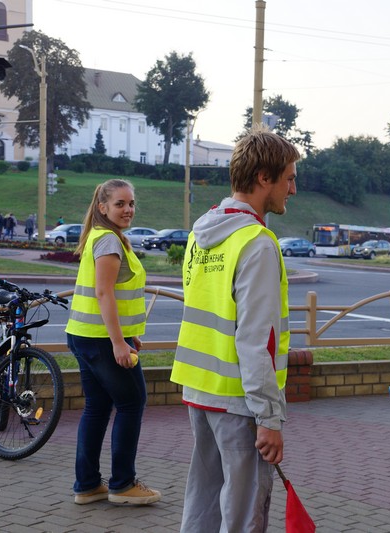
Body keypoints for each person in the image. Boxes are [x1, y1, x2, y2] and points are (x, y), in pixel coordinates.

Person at [171, 127, 300, 532]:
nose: (292, 190)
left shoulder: (201, 235)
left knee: (204, 498)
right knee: (244, 514)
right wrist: (269, 417)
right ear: (265, 178)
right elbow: (256, 340)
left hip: (200, 390)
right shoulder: (257, 242)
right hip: (241, 401)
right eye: (289, 178)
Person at [65, 179, 161, 506]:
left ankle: (88, 485)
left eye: (131, 203)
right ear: (103, 207)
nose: (128, 209)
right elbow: (103, 293)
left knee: (98, 407)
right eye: (120, 204)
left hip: (85, 335)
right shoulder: (108, 241)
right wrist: (119, 343)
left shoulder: (102, 236)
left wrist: (126, 333)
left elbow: (113, 295)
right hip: (101, 341)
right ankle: (122, 485)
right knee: (132, 403)